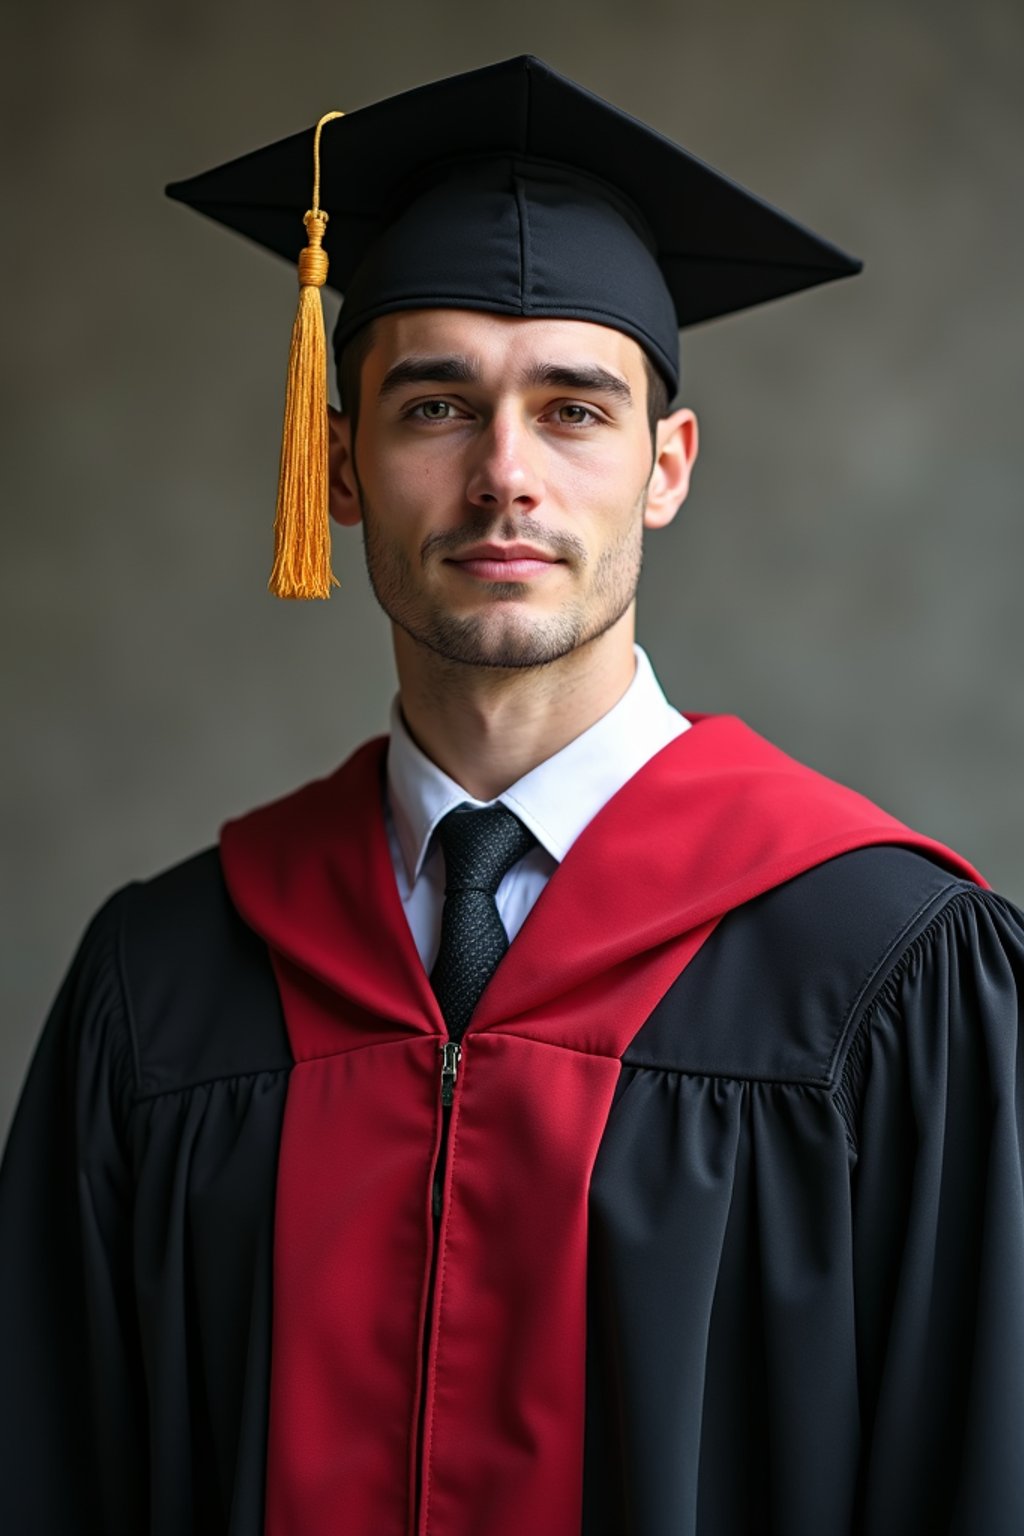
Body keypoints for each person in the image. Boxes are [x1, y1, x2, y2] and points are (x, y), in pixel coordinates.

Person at [1, 53, 1022, 1536]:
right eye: (433, 407)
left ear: (665, 468)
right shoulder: (160, 990)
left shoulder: (891, 973)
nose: (504, 478)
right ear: (338, 465)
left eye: (574, 410)